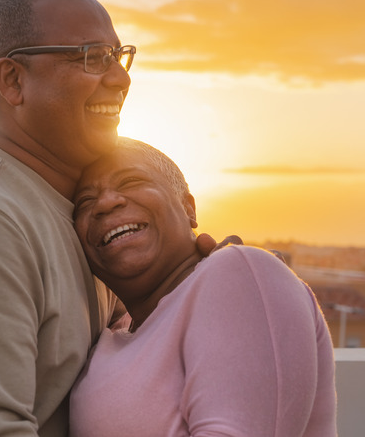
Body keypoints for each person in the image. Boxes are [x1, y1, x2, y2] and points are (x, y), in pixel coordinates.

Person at [0, 0, 225, 436]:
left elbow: (132, 347)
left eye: (117, 55)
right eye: (92, 57)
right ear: (13, 81)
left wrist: (210, 287)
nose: (120, 78)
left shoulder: (78, 212)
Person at [69, 138, 337, 436]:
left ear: (189, 208)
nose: (106, 203)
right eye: (85, 202)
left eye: (131, 181)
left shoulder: (237, 273)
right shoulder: (111, 333)